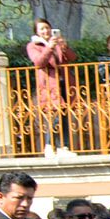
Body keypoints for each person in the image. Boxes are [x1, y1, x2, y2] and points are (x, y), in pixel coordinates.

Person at [24, 18, 70, 157]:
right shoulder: (33, 46)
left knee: (64, 116)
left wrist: (64, 46)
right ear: (37, 32)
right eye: (42, 29)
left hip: (63, 83)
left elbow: (72, 58)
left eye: (47, 28)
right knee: (53, 115)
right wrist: (49, 48)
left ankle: (64, 147)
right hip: (48, 84)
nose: (45, 31)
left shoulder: (56, 43)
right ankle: (50, 146)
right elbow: (39, 62)